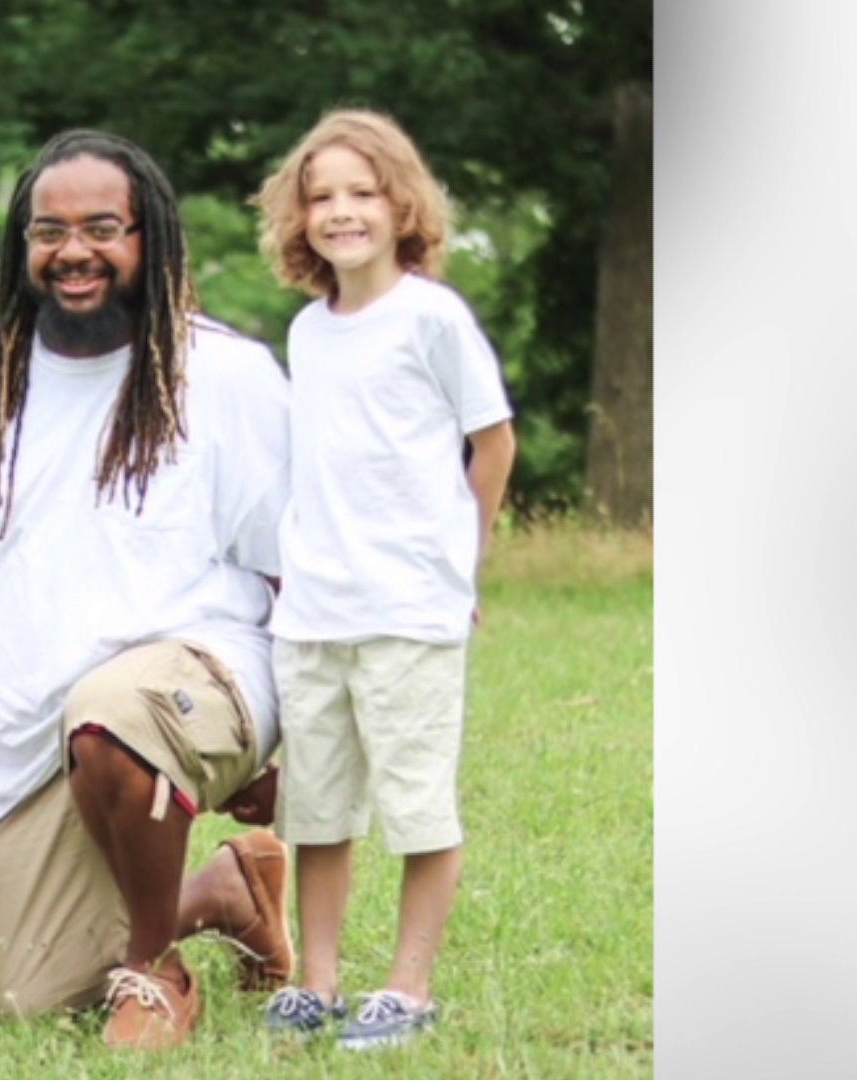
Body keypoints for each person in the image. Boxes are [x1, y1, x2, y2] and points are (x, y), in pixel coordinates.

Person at [0, 129, 297, 1051]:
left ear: (149, 240)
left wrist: (300, 741)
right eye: (49, 232)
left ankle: (156, 971)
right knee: (30, 993)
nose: (73, 251)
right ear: (23, 248)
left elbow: (293, 577)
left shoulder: (227, 377)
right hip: (39, 730)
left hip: (199, 681)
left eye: (102, 228)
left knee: (112, 709)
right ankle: (225, 894)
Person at [248, 108, 517, 1050]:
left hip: (408, 608)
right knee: (317, 808)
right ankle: (316, 981)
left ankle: (406, 987)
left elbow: (493, 441)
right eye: (321, 196)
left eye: (362, 193)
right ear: (298, 216)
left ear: (402, 205)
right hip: (314, 611)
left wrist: (460, 561)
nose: (341, 212)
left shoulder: (432, 317)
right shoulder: (308, 331)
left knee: (415, 804)